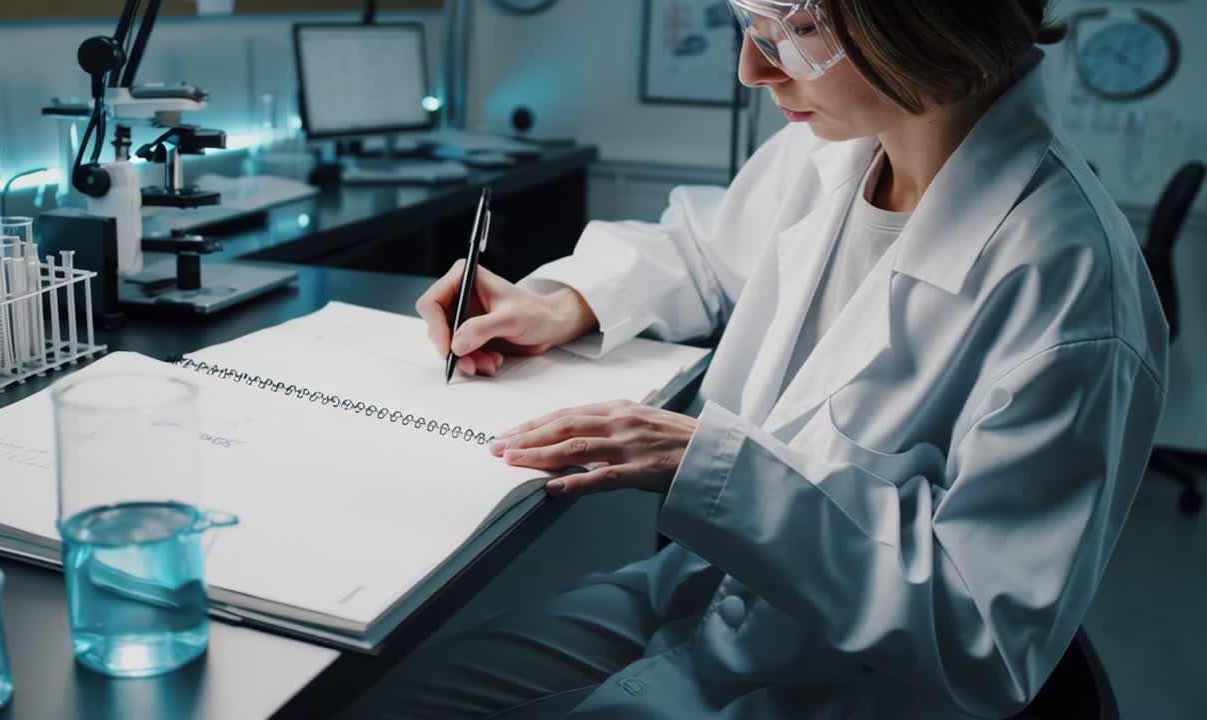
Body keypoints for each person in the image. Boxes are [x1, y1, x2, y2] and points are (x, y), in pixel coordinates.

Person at [351, 0, 1168, 717]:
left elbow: (984, 638)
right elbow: (706, 250)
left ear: (927, 19)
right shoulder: (839, 147)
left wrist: (709, 469)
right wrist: (564, 301)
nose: (751, 68)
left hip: (844, 686)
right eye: (753, 23)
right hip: (702, 601)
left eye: (799, 29)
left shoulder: (1066, 283)